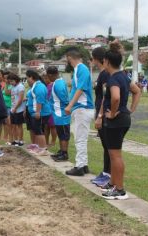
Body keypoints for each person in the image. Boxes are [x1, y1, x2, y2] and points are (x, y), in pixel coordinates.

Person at [100, 42, 141, 200]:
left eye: (104, 61)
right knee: (113, 154)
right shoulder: (124, 76)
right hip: (123, 118)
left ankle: (120, 190)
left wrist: (113, 113)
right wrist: (131, 109)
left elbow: (115, 97)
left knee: (116, 155)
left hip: (116, 120)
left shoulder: (113, 80)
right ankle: (113, 183)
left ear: (107, 62)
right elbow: (137, 91)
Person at [64, 48, 94, 176]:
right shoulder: (79, 69)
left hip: (82, 107)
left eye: (67, 60)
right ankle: (84, 165)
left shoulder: (81, 69)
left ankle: (79, 166)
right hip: (81, 108)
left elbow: (80, 89)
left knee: (80, 139)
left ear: (70, 58)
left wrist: (69, 106)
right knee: (81, 137)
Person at [90, 47, 112, 187]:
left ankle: (108, 174)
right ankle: (105, 172)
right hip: (100, 111)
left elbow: (105, 96)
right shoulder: (103, 74)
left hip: (103, 113)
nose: (92, 61)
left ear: (97, 58)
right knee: (105, 145)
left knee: (109, 146)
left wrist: (100, 115)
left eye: (92, 58)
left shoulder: (105, 74)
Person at [47, 66, 71, 162]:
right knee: (61, 134)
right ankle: (61, 151)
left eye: (48, 76)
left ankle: (65, 153)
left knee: (64, 135)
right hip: (58, 114)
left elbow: (64, 99)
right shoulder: (57, 82)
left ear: (51, 75)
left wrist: (67, 107)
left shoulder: (59, 84)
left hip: (62, 114)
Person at [25, 70, 51, 156]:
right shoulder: (35, 86)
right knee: (37, 130)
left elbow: (40, 101)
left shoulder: (39, 87)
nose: (27, 80)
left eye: (27, 78)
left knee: (39, 131)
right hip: (36, 112)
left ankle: (44, 149)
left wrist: (37, 112)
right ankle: (39, 147)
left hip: (41, 113)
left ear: (31, 77)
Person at [0, 70, 12, 144]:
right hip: (0, 105)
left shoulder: (8, 85)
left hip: (8, 106)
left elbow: (6, 93)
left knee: (6, 122)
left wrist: (5, 84)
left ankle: (5, 137)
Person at [9, 73, 26, 147]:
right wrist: (13, 108)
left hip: (19, 109)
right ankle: (15, 140)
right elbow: (12, 97)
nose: (11, 83)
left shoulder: (20, 87)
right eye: (10, 82)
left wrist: (15, 108)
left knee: (19, 125)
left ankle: (21, 140)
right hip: (13, 108)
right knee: (13, 125)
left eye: (12, 81)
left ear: (16, 80)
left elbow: (20, 99)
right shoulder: (12, 86)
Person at [44, 73, 57, 147]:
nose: (45, 80)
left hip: (52, 108)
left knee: (52, 126)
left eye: (46, 78)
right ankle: (46, 141)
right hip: (46, 108)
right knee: (46, 126)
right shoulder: (46, 86)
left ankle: (53, 141)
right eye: (44, 78)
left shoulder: (53, 85)